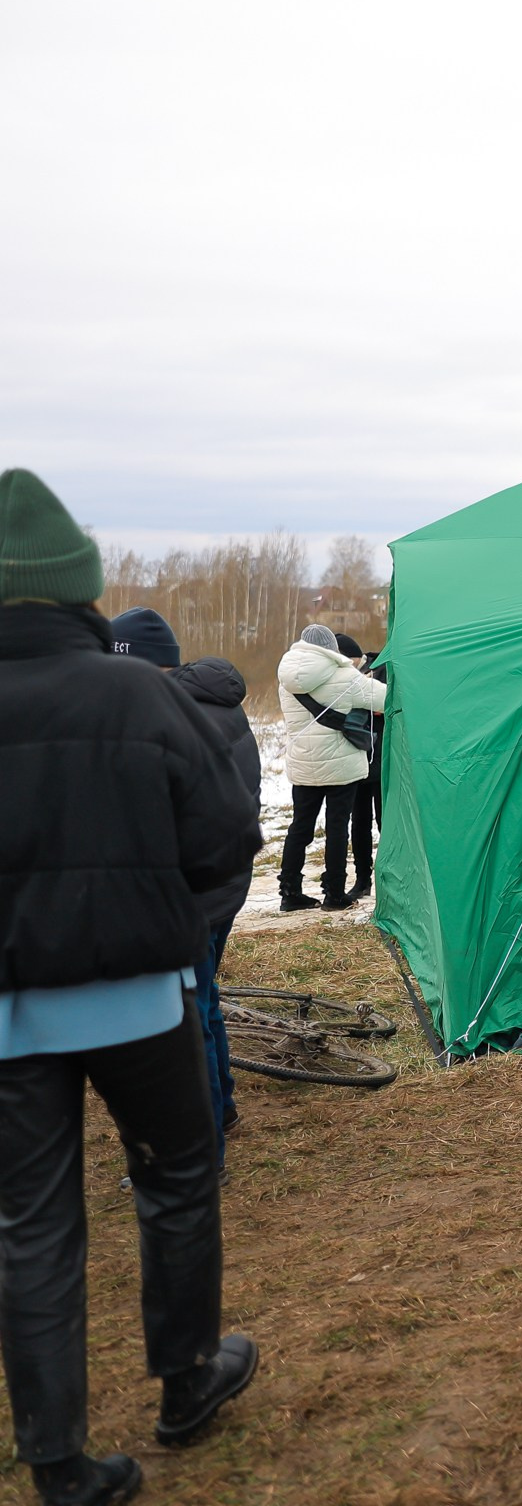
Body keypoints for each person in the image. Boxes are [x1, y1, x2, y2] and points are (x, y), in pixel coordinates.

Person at [1, 468, 264, 1505]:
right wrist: (171, 921)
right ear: (77, 586)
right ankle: (187, 1380)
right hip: (142, 1000)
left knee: (33, 1221)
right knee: (176, 1180)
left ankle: (57, 1459)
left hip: (10, 1015)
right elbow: (224, 839)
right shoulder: (141, 692)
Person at [113, 608, 261, 1156]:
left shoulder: (167, 717)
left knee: (180, 1019)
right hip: (223, 884)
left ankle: (196, 1151)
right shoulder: (219, 705)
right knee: (203, 1000)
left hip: (188, 891)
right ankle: (220, 1110)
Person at [274, 621, 387, 911]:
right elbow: (384, 699)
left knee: (300, 827)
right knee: (337, 828)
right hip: (340, 765)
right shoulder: (344, 674)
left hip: (302, 763)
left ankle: (289, 892)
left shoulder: (286, 677)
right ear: (330, 649)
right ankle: (334, 894)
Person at [335, 634, 383, 898]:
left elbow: (388, 704)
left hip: (383, 760)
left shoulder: (383, 669)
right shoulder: (339, 678)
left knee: (385, 821)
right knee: (359, 822)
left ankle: (390, 878)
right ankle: (362, 879)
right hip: (355, 759)